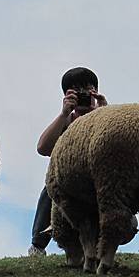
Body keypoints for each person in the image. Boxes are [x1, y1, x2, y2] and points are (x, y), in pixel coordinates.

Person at [27, 67, 107, 256]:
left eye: (87, 89)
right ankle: (38, 245)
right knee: (50, 187)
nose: (82, 95)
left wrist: (105, 112)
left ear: (95, 92)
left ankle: (104, 243)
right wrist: (64, 114)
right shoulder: (66, 121)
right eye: (76, 90)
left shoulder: (106, 118)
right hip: (70, 184)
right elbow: (43, 148)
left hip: (99, 183)